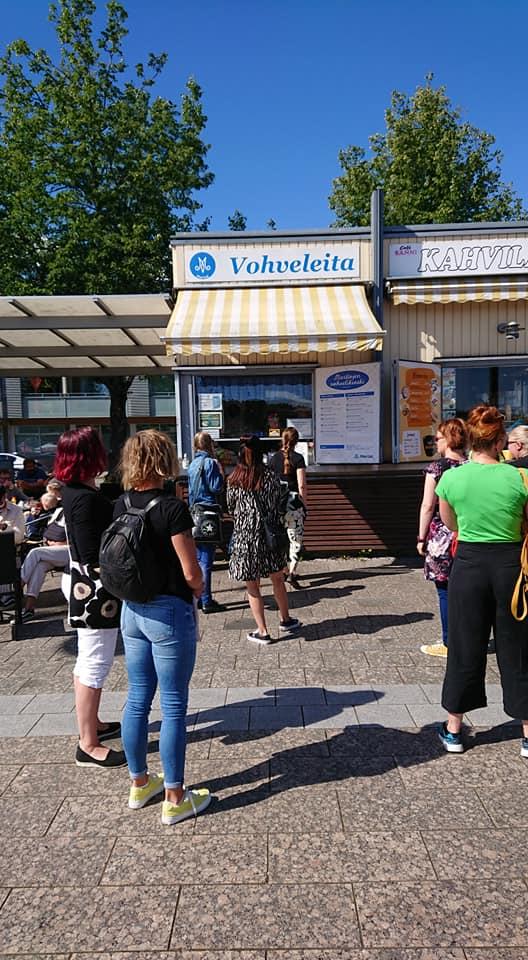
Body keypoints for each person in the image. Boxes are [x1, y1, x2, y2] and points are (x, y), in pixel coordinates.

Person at [115, 429, 211, 825]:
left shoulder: (120, 503)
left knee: (138, 697)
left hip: (131, 611)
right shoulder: (172, 508)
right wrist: (199, 588)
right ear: (164, 460)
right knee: (173, 705)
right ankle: (175, 797)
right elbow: (191, 572)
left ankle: (139, 783)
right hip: (168, 612)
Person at [435, 404, 528, 756]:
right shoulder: (520, 478)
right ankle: (527, 733)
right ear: (500, 441)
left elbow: (451, 524)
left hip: (469, 564)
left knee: (464, 646)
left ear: (471, 440)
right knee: (518, 648)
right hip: (511, 567)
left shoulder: (451, 478)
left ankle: (454, 730)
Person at [54, 427, 124, 769]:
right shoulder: (84, 498)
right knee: (95, 663)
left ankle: (92, 724)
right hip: (95, 593)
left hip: (83, 589)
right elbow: (89, 554)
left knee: (88, 660)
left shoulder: (73, 491)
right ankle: (88, 743)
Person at [227, 435, 302, 644]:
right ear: (261, 454)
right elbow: (279, 502)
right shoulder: (270, 476)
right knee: (277, 578)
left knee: (253, 585)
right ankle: (286, 619)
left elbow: (231, 508)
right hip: (270, 535)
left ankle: (262, 631)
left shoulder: (234, 479)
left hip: (245, 537)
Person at [417, 418, 468, 658]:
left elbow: (428, 506)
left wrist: (421, 537)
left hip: (442, 535)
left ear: (448, 440)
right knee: (467, 590)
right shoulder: (472, 465)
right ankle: (470, 638)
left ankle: (449, 642)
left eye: (437, 438)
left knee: (444, 589)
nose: (435, 442)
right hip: (467, 531)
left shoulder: (437, 468)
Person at [187, 431, 226, 614]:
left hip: (195, 514)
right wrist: (221, 473)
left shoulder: (192, 464)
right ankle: (206, 600)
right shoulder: (210, 463)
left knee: (198, 558)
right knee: (206, 560)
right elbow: (216, 487)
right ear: (210, 444)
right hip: (208, 514)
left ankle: (199, 597)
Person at [269, 427, 307, 589]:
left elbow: (270, 484)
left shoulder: (273, 459)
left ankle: (283, 569)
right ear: (296, 441)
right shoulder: (298, 459)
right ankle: (292, 572)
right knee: (295, 540)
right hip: (294, 505)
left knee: (280, 539)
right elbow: (302, 485)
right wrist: (304, 504)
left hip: (278, 505)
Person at [18, 501, 69, 621]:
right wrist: (50, 541)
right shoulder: (59, 512)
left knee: (35, 553)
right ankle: (29, 608)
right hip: (55, 550)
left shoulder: (77, 514)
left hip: (71, 551)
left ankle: (18, 586)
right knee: (40, 566)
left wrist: (61, 542)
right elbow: (47, 533)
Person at [0, 478, 25, 605]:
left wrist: (5, 528)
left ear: (4, 496)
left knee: (4, 557)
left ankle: (6, 596)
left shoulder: (16, 510)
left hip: (10, 551)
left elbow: (19, 536)